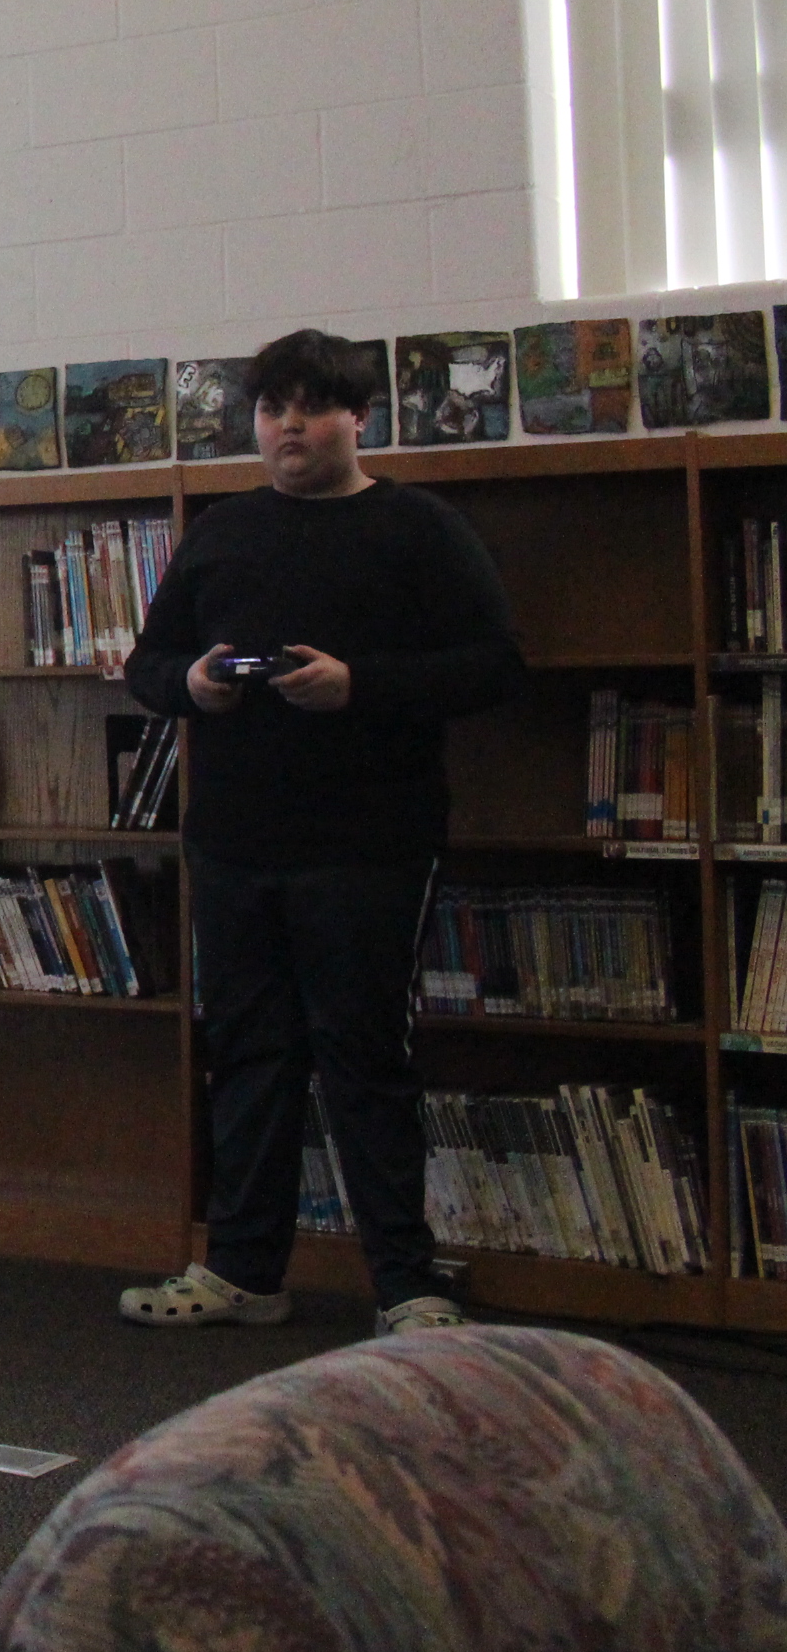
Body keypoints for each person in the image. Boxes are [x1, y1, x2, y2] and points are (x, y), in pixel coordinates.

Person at [117, 327, 523, 1337]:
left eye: (311, 406)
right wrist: (197, 687)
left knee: (363, 1058)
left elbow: (495, 665)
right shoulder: (219, 531)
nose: (288, 425)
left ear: (358, 417)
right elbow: (148, 666)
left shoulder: (419, 527)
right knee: (249, 1056)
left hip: (369, 845)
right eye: (271, 409)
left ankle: (406, 1284)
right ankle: (246, 1273)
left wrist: (361, 686)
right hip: (234, 845)